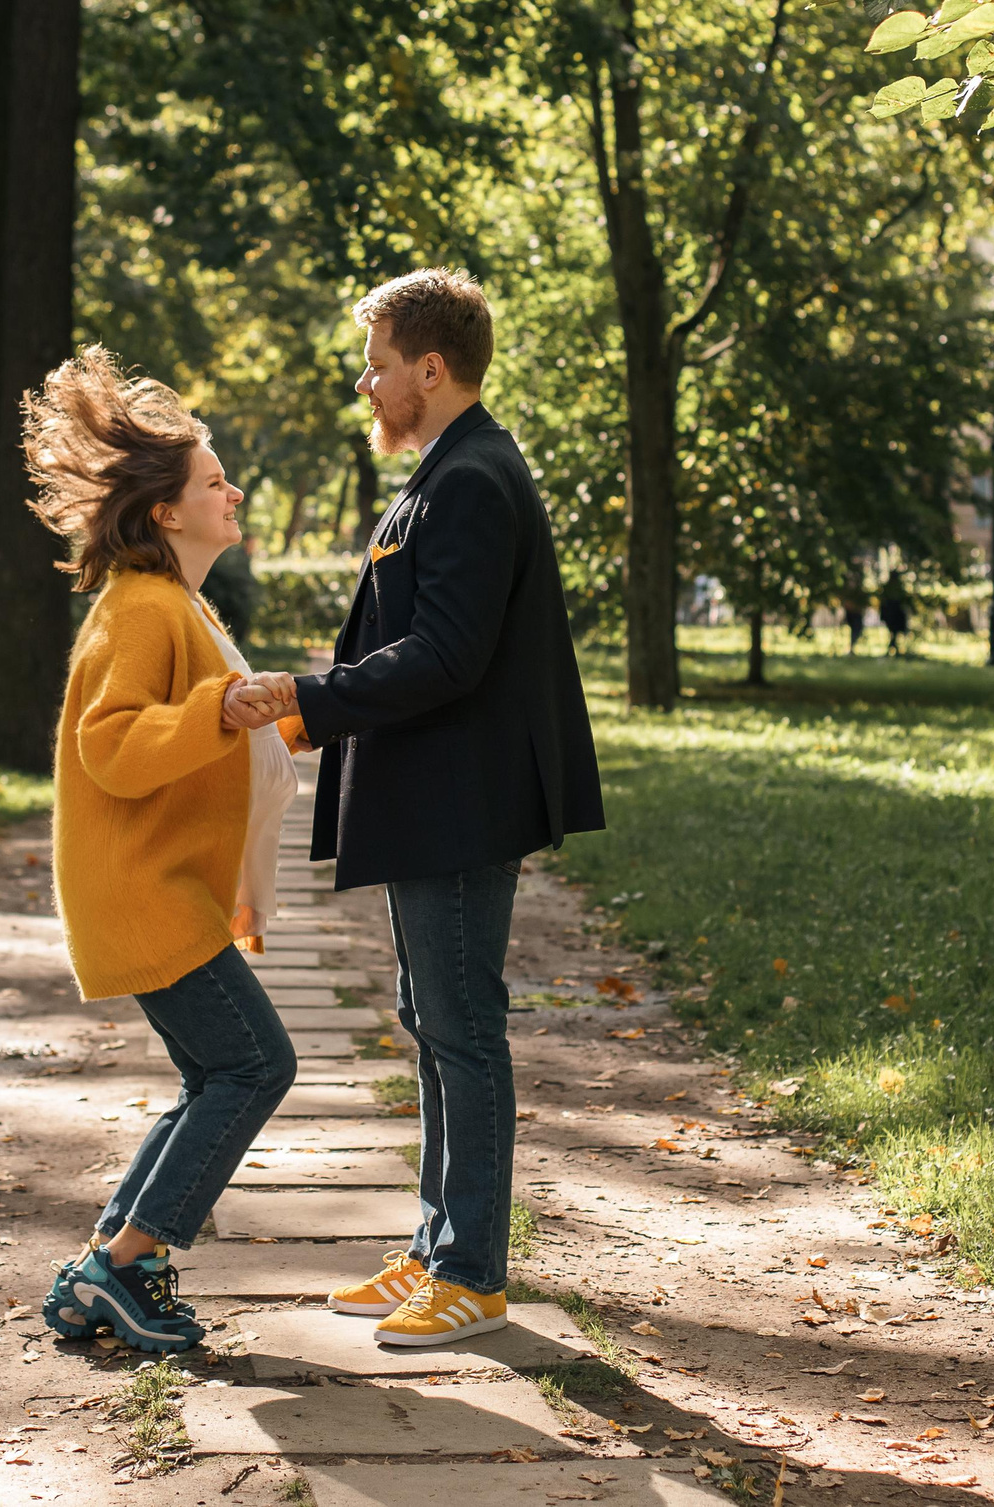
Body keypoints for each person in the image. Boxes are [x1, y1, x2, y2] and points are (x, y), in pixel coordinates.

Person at [230, 268, 603, 1346]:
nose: (366, 384)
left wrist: (303, 700)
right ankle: (443, 1245)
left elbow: (444, 656)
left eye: (378, 365)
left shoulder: (474, 479)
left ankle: (475, 1277)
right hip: (437, 795)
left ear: (428, 370)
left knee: (462, 1029)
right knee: (432, 1022)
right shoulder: (447, 472)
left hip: (461, 799)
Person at [25, 349, 301, 1355]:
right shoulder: (138, 611)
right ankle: (122, 1264)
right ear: (164, 514)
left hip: (165, 892)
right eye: (213, 482)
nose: (232, 491)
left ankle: (106, 1268)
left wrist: (298, 715)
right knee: (255, 1066)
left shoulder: (181, 607)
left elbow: (226, 734)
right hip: (144, 895)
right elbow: (114, 741)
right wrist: (218, 707)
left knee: (217, 1074)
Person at [877, 570, 911, 657]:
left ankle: (892, 647)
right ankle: (893, 647)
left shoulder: (896, 587)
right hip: (892, 612)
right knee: (893, 632)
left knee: (894, 632)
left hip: (894, 612)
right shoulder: (890, 587)